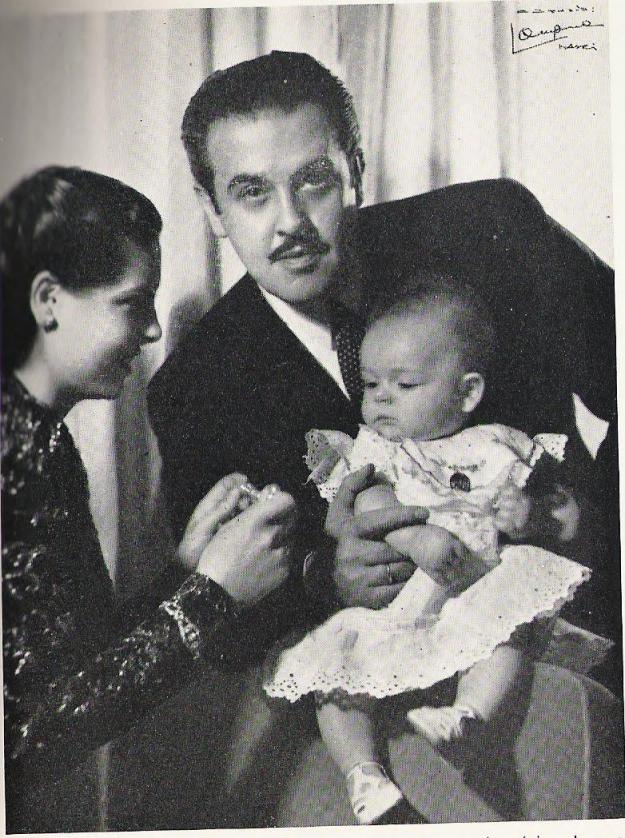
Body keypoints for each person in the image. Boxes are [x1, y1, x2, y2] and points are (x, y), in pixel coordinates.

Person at [147, 51, 618, 656]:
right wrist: (324, 580)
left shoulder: (493, 230)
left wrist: (584, 518)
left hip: (589, 634)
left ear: (356, 171)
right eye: (252, 193)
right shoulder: (193, 386)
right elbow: (219, 627)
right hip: (387, 689)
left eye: (313, 180)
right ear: (212, 209)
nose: (290, 222)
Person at [1, 166, 297, 833]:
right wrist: (213, 594)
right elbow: (26, 737)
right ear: (48, 300)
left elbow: (77, 667)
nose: (154, 331)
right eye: (133, 303)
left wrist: (185, 570)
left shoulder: (45, 439)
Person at [264, 278, 599, 824]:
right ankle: (364, 776)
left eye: (404, 384)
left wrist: (531, 516)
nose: (381, 398)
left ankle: (470, 716)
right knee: (337, 674)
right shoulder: (375, 450)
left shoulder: (496, 444)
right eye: (370, 384)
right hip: (401, 601)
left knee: (507, 632)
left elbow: (565, 516)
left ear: (466, 394)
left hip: (476, 585)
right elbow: (369, 501)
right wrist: (414, 537)